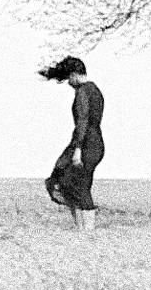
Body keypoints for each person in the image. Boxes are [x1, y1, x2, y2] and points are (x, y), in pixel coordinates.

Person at [39, 55, 104, 232]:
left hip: (86, 144)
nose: (68, 82)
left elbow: (82, 122)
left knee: (69, 183)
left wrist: (77, 150)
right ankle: (83, 229)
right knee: (76, 183)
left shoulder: (82, 92)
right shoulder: (95, 90)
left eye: (69, 78)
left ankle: (86, 230)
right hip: (97, 143)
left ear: (74, 75)